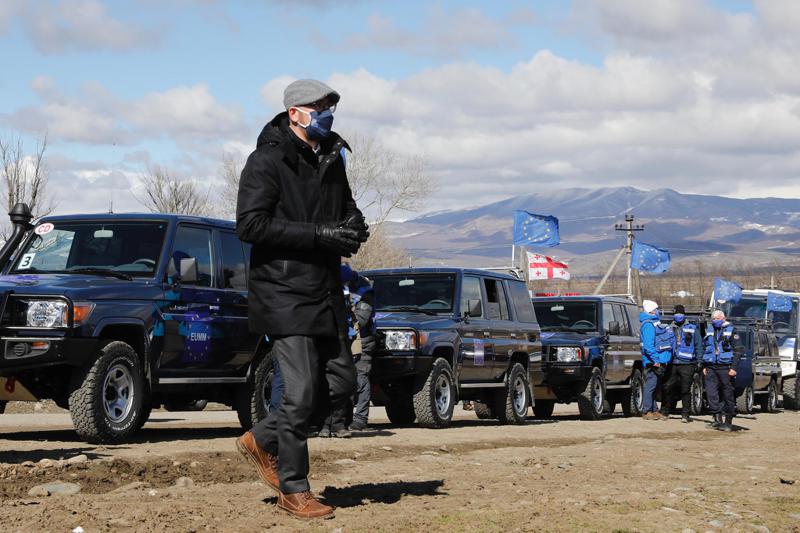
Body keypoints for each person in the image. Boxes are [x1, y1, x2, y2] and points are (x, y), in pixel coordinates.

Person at [234, 79, 368, 519]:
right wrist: (318, 235)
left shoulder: (331, 156)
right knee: (300, 392)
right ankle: (294, 490)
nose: (327, 114)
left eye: (330, 107)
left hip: (325, 290)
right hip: (282, 292)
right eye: (319, 107)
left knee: (343, 384)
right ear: (295, 112)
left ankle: (261, 438)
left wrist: (352, 225)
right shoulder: (266, 161)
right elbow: (250, 225)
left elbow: (345, 206)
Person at [660, 305, 702, 423]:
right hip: (671, 362)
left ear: (684, 315)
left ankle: (685, 414)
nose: (678, 316)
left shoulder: (692, 328)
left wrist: (699, 361)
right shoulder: (668, 328)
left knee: (685, 389)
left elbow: (698, 345)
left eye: (680, 313)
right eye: (676, 313)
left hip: (687, 363)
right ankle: (665, 411)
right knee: (667, 387)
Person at [703, 309, 743, 432]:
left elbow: (738, 351)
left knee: (728, 394)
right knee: (711, 393)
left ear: (723, 318)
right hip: (711, 367)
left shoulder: (732, 331)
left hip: (726, 367)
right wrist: (705, 366)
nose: (715, 321)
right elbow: (706, 348)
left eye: (717, 318)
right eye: (713, 319)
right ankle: (717, 419)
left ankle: (728, 421)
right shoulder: (709, 330)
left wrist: (734, 368)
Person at [639, 299, 674, 420]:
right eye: (656, 309)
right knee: (651, 386)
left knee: (655, 386)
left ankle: (654, 410)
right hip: (652, 361)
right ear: (652, 311)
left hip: (656, 360)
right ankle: (646, 410)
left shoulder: (652, 323)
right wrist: (656, 360)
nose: (658, 311)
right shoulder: (648, 325)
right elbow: (649, 345)